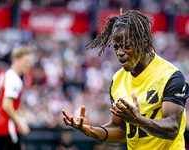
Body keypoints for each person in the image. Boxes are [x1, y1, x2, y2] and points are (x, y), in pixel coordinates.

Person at [62, 10, 189, 150]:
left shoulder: (171, 76)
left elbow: (172, 128)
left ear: (144, 43)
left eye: (126, 46)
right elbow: (120, 130)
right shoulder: (117, 79)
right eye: (116, 47)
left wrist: (139, 120)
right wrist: (90, 130)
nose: (120, 53)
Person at [0, 47, 32, 150]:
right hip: (6, 128)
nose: (28, 65)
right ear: (16, 60)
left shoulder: (6, 75)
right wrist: (20, 123)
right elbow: (7, 105)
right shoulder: (14, 79)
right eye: (26, 61)